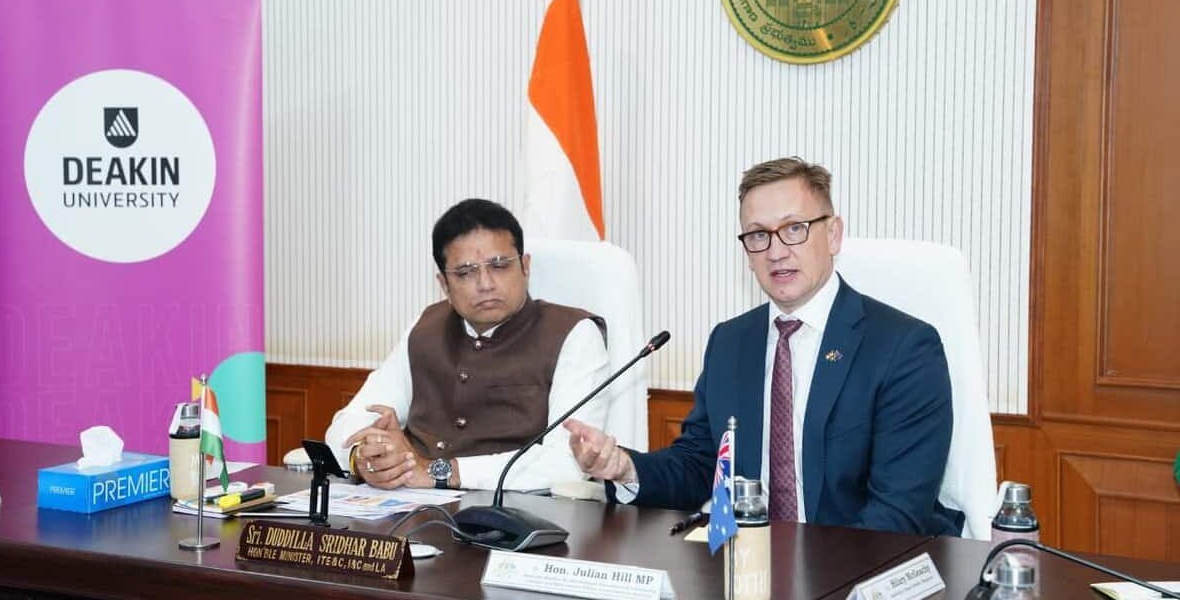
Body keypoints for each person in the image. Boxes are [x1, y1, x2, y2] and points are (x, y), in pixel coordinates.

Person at [565, 157, 962, 535]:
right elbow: (700, 465)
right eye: (758, 235)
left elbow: (898, 512)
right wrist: (623, 468)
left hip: (859, 566)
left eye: (794, 229)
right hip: (753, 562)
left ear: (834, 234)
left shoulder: (904, 348)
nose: (775, 251)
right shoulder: (730, 342)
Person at [326, 198, 611, 491]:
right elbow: (349, 421)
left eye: (499, 266)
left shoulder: (574, 335)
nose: (485, 283)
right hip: (414, 511)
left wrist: (442, 472)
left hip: (517, 517)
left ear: (525, 267)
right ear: (444, 284)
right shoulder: (426, 327)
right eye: (465, 272)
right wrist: (366, 456)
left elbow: (567, 463)